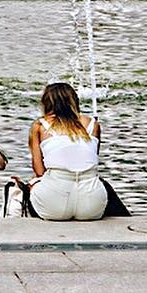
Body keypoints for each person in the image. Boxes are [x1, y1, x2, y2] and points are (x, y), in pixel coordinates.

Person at [27, 81, 107, 221]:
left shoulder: (40, 126)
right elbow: (92, 161)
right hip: (92, 205)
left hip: (53, 205)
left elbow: (39, 171)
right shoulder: (93, 125)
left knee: (33, 182)